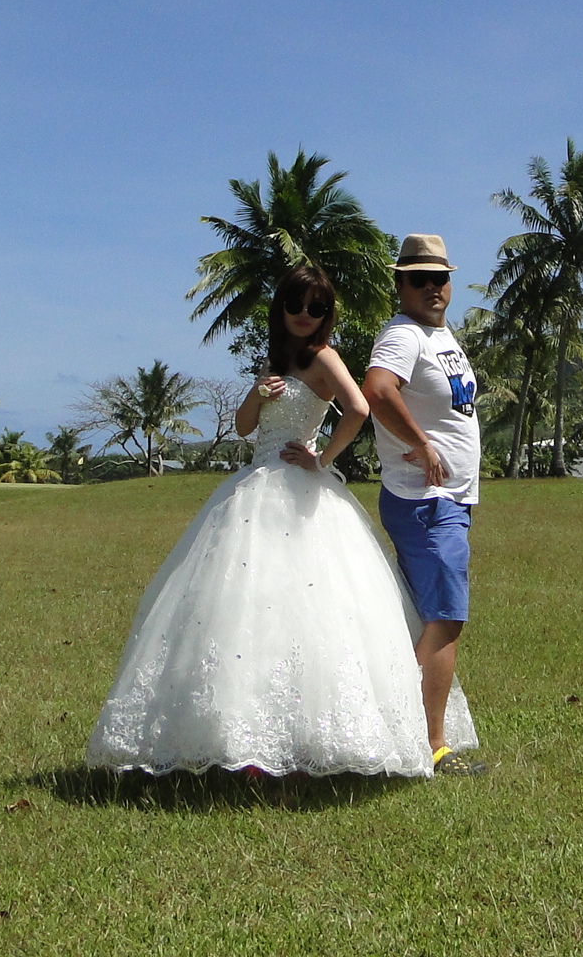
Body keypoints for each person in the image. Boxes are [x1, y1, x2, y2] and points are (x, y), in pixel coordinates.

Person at [86, 264, 476, 777]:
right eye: (296, 305)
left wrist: (323, 458)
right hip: (252, 490)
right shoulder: (276, 358)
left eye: (316, 308)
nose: (305, 316)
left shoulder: (325, 358)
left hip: (301, 489)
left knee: (313, 610)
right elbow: (247, 428)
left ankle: (316, 739)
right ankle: (241, 739)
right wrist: (257, 394)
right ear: (282, 308)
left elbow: (358, 407)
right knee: (243, 611)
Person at [363, 234, 488, 776]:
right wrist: (418, 443)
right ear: (400, 285)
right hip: (425, 501)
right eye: (419, 278)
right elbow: (377, 389)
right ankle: (427, 745)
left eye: (439, 278)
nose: (432, 287)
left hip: (450, 499)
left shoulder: (438, 335)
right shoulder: (402, 336)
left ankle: (408, 735)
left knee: (430, 618)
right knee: (445, 618)